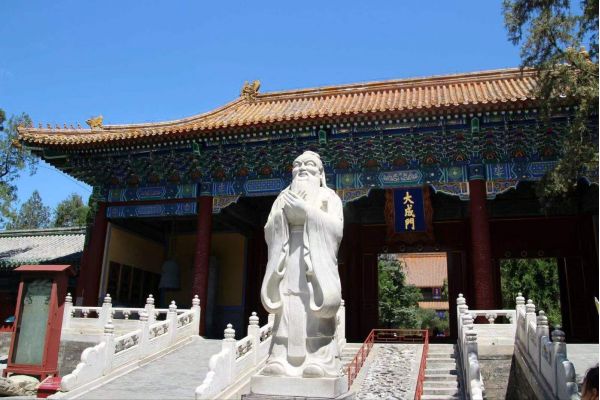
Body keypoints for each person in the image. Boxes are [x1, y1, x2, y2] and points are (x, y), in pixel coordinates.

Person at [260, 151, 344, 378]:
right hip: (287, 258)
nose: (302, 169)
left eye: (309, 164)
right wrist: (284, 218)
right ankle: (279, 356)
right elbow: (269, 229)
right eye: (297, 165)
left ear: (320, 173)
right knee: (286, 307)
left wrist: (307, 212)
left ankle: (320, 359)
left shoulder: (329, 197)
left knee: (314, 309)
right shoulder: (282, 197)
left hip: (315, 262)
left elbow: (336, 231)